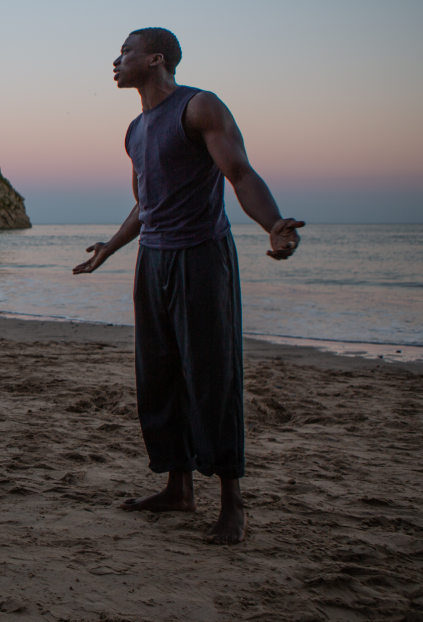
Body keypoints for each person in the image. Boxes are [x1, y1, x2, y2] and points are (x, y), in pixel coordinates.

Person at [72, 28, 303, 545]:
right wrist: (110, 248)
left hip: (201, 255)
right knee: (158, 376)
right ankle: (178, 487)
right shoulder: (135, 129)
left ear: (156, 59)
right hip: (153, 260)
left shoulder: (199, 108)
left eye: (126, 51)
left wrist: (273, 224)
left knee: (211, 376)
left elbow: (240, 173)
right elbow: (146, 205)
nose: (116, 60)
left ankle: (232, 503)